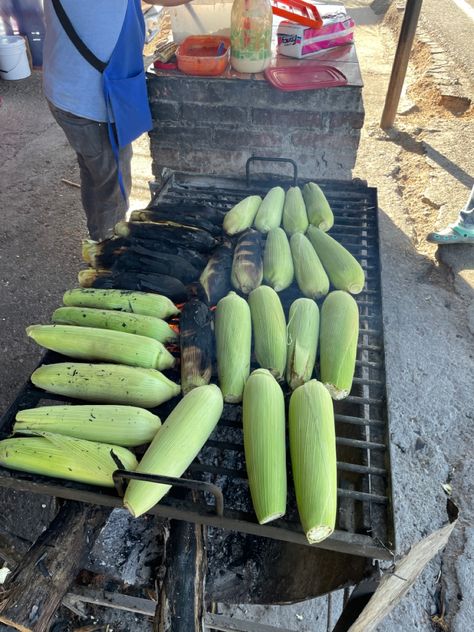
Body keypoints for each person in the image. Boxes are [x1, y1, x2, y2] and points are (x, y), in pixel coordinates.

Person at [42, 0, 192, 243]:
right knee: (111, 186)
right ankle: (108, 254)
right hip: (88, 99)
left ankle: (98, 239)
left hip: (64, 87)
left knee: (96, 173)